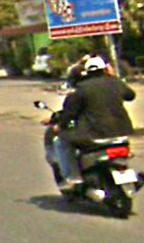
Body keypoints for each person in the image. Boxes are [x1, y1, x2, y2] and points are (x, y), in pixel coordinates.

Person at [51, 55, 136, 188]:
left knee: (60, 142)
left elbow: (70, 113)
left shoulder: (82, 88)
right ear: (105, 69)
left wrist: (60, 126)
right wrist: (114, 77)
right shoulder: (116, 83)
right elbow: (130, 95)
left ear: (87, 72)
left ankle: (73, 178)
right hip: (121, 134)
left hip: (95, 136)